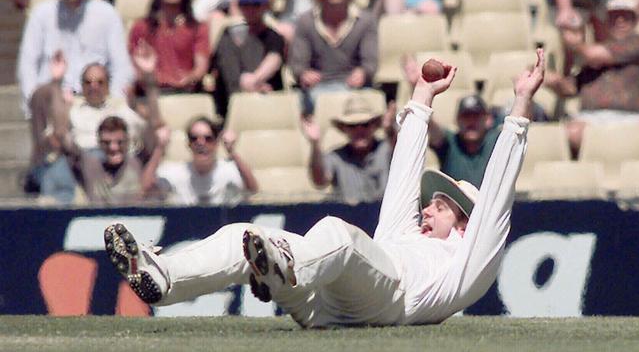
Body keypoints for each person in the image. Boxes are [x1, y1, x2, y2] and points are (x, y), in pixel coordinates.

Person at [104, 49, 545, 327]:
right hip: (326, 303)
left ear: (469, 223)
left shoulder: (470, 258)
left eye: (442, 208)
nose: (427, 210)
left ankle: (284, 272)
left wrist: (520, 106)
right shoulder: (403, 235)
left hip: (392, 301)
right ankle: (165, 280)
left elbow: (499, 195)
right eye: (431, 206)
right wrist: (422, 97)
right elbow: (404, 176)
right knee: (244, 235)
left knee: (338, 233)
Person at [29, 43, 164, 204]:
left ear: (108, 85)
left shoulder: (121, 107)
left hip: (122, 159)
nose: (94, 86)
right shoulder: (73, 109)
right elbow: (60, 132)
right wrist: (57, 82)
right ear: (82, 85)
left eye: (100, 82)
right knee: (57, 168)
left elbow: (154, 127)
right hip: (83, 163)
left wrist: (149, 77)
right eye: (88, 82)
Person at [17, 0, 134, 172]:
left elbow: (122, 66)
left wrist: (113, 99)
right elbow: (27, 64)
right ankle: (43, 168)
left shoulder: (106, 13)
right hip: (54, 97)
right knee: (40, 95)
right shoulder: (41, 13)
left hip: (96, 92)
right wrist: (33, 104)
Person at [545, 0, 639, 157]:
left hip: (633, 119)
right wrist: (549, 79)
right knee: (566, 134)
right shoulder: (592, 54)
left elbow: (594, 55)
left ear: (635, 21)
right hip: (591, 120)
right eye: (614, 16)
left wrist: (574, 43)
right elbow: (570, 88)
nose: (620, 21)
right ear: (606, 21)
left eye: (625, 16)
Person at [289, 0, 378, 113]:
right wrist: (304, 74)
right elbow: (297, 65)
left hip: (354, 90)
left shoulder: (366, 21)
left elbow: (370, 63)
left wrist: (363, 72)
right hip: (317, 89)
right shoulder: (305, 21)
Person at [301, 95, 394, 204]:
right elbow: (319, 181)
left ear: (374, 126)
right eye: (352, 125)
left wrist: (391, 131)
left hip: (386, 215)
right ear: (344, 128)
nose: (359, 130)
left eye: (365, 124)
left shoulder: (387, 149)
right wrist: (315, 144)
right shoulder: (336, 156)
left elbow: (401, 153)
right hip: (348, 217)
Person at [211, 0, 285, 117]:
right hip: (232, 107)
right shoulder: (228, 35)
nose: (250, 9)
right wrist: (247, 86)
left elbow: (275, 58)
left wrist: (254, 80)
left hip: (266, 105)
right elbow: (227, 73)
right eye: (245, 5)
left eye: (256, 4)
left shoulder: (274, 36)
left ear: (265, 6)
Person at [156, 116, 258, 205]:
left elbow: (253, 189)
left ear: (216, 143)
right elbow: (146, 191)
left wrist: (231, 151)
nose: (201, 143)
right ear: (188, 144)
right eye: (194, 138)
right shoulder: (176, 172)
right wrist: (159, 148)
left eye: (208, 138)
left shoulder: (229, 169)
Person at [128, 0, 210, 93]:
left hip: (184, 92)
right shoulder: (141, 27)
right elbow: (133, 67)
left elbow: (200, 68)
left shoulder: (198, 28)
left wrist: (186, 80)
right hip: (151, 92)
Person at [428, 95, 500, 189]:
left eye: (476, 116)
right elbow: (433, 128)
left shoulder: (497, 141)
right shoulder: (449, 143)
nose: (471, 122)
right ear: (457, 120)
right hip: (455, 202)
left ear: (488, 120)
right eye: (466, 116)